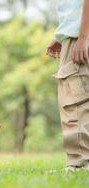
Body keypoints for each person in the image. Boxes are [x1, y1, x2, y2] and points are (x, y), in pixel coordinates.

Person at [46, 0, 89, 171]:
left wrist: (82, 37)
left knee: (74, 103)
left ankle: (80, 163)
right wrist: (60, 36)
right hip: (76, 35)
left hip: (80, 38)